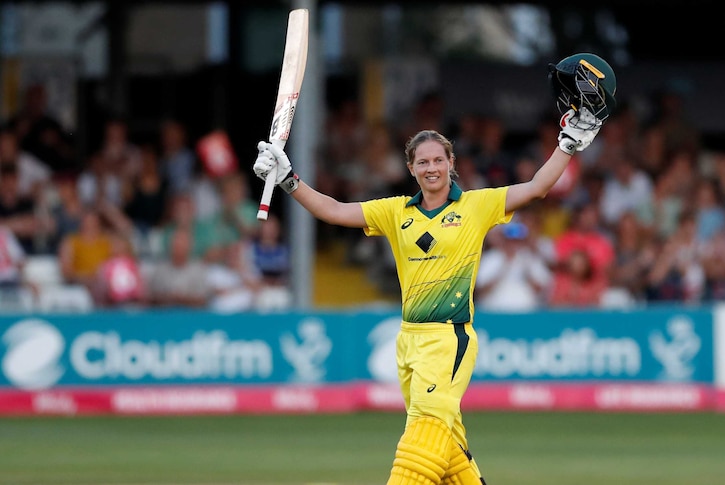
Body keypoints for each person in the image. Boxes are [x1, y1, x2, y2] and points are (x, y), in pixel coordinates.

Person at [253, 52, 615, 485]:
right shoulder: (394, 212)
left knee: (421, 445)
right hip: (409, 341)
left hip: (449, 338)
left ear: (450, 164)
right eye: (422, 162)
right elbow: (333, 210)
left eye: (438, 160)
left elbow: (537, 187)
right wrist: (289, 177)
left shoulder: (476, 206)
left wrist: (566, 146)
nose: (431, 168)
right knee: (449, 452)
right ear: (411, 168)